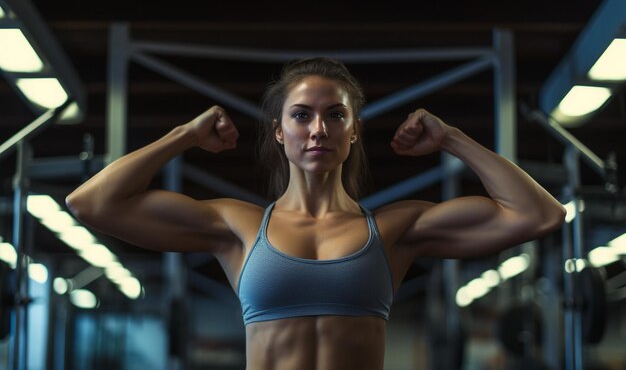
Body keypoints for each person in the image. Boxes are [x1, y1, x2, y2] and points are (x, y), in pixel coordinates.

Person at [66, 57, 566, 370]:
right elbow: (90, 203)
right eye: (301, 115)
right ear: (280, 131)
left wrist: (451, 138)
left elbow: (539, 214)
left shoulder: (395, 230)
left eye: (336, 115)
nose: (319, 129)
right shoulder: (236, 228)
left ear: (354, 131)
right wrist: (185, 135)